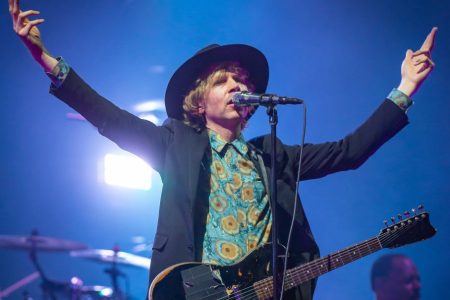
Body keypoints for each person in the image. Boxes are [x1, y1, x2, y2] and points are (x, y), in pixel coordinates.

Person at [9, 0, 437, 299]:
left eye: (243, 80)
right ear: (198, 101)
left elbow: (349, 151)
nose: (239, 85)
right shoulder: (175, 142)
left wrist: (403, 90)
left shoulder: (273, 157)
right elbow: (111, 117)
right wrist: (47, 59)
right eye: (224, 80)